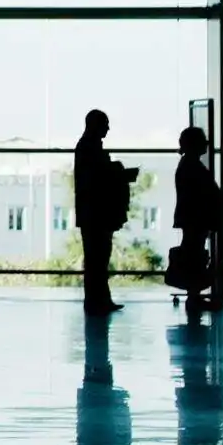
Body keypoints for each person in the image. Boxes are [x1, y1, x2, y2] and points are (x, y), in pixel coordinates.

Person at [72, 109, 138, 316]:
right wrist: (119, 173)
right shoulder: (89, 149)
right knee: (97, 258)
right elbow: (97, 179)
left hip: (93, 213)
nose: (108, 129)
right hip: (96, 213)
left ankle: (98, 299)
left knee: (97, 258)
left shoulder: (87, 147)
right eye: (105, 124)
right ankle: (98, 299)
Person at [170, 124, 222, 312]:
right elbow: (201, 194)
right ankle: (194, 297)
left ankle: (195, 295)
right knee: (194, 256)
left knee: (193, 255)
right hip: (196, 218)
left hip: (193, 218)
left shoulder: (188, 165)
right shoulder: (192, 166)